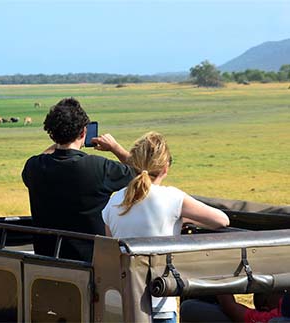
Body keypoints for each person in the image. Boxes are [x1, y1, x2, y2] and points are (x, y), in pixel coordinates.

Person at [102, 131, 230, 323]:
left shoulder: (113, 202)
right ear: (165, 167)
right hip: (159, 302)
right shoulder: (172, 198)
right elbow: (221, 220)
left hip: (122, 304)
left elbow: (111, 252)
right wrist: (184, 219)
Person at [22, 97, 134, 261]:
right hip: (91, 262)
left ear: (52, 134)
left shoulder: (33, 167)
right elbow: (144, 175)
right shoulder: (98, 167)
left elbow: (44, 157)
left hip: (46, 261)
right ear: (83, 132)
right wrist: (115, 148)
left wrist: (60, 141)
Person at [180, 291, 290, 323]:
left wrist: (220, 282)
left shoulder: (275, 316)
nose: (281, 293)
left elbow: (231, 308)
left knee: (189, 308)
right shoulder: (276, 313)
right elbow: (232, 308)